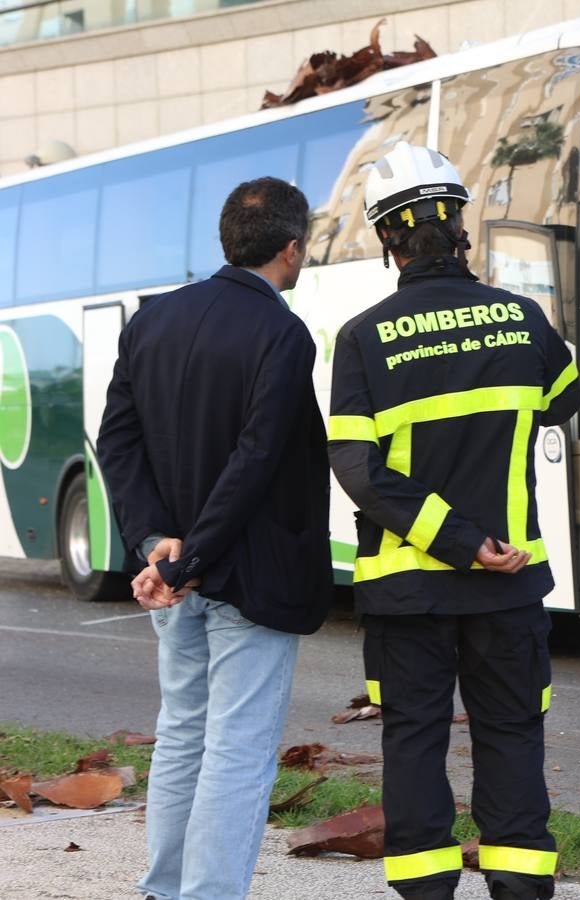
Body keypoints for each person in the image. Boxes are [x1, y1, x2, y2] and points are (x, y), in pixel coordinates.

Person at [327, 142, 580, 900]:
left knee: (413, 740)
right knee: (512, 740)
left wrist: (455, 541)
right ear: (460, 225)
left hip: (409, 594)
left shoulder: (364, 338)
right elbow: (568, 406)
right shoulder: (523, 319)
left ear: (387, 240)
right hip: (509, 591)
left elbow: (357, 470)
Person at [96, 176, 333, 900]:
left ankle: (164, 888)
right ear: (292, 250)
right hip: (245, 576)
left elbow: (117, 441)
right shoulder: (282, 333)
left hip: (175, 573)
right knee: (237, 747)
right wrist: (192, 557)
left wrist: (156, 545)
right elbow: (257, 458)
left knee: (183, 736)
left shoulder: (151, 321)